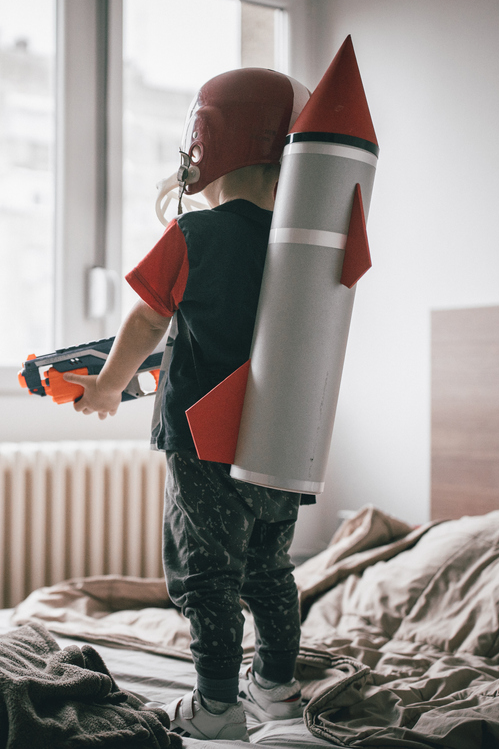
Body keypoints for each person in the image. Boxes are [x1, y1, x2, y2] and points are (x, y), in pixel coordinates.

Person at [64, 68, 313, 740]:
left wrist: (109, 385)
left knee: (205, 573)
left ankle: (215, 707)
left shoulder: (195, 235)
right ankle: (279, 691)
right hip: (281, 437)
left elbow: (146, 321)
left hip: (203, 443)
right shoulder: (302, 245)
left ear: (203, 142)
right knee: (268, 567)